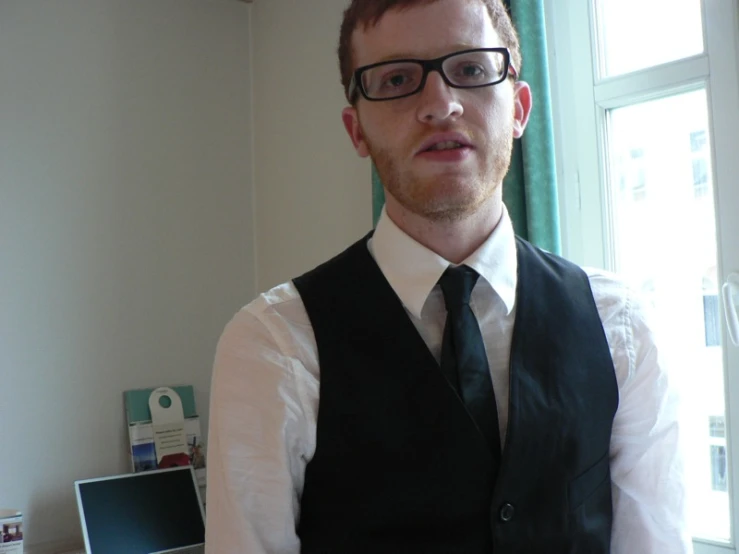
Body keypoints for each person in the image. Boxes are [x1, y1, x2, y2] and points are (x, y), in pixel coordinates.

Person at [204, 0, 692, 552]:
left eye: (471, 69)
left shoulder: (622, 328)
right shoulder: (274, 345)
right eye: (396, 79)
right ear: (356, 130)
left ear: (519, 109)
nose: (440, 104)